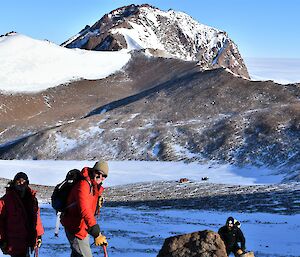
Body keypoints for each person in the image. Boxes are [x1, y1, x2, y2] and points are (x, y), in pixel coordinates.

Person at [61, 161, 109, 257]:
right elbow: (85, 209)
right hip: (75, 228)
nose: (100, 177)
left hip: (83, 227)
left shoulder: (94, 186)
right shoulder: (84, 185)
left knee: (77, 254)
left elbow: (89, 206)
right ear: (93, 171)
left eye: (103, 175)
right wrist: (96, 233)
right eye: (98, 173)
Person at [0, 172, 44, 257]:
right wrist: (1, 240)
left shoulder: (32, 199)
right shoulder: (6, 200)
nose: (21, 183)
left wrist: (38, 235)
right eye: (18, 181)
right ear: (14, 182)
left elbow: (36, 218)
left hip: (29, 238)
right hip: (14, 241)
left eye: (23, 181)